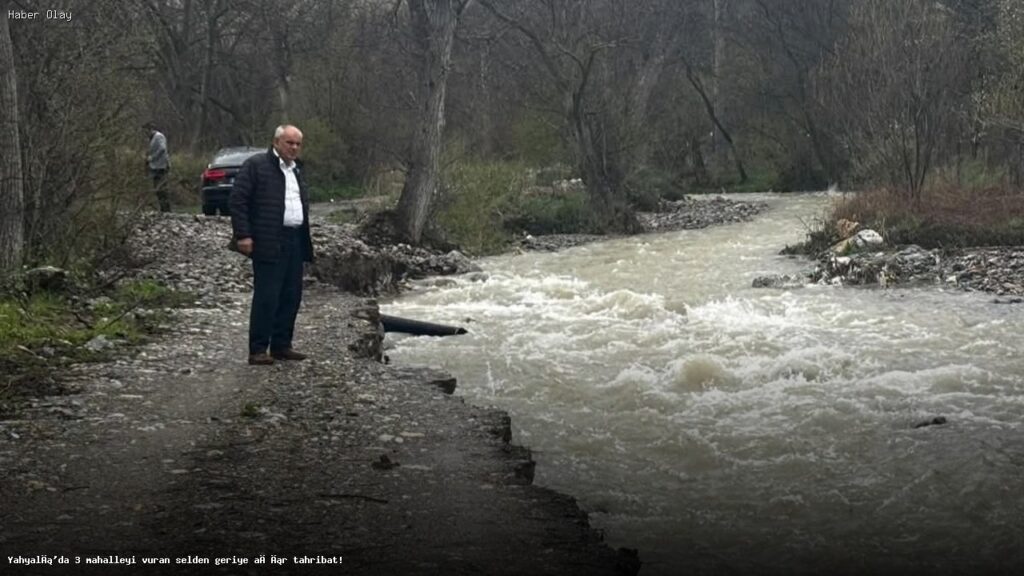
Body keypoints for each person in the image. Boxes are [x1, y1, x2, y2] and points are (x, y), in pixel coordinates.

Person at [229, 125, 314, 365]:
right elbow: (238, 200)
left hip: (295, 238)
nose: (294, 148)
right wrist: (243, 235)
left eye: (298, 144)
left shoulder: (297, 169)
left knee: (291, 295)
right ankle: (257, 349)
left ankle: (281, 345)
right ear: (276, 142)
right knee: (267, 295)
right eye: (290, 143)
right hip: (268, 238)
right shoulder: (257, 166)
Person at [145, 123, 171, 212]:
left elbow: (162, 148)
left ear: (150, 129)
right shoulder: (152, 138)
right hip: (155, 166)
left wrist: (152, 158)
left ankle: (166, 209)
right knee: (158, 189)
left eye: (146, 131)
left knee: (162, 189)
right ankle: (163, 208)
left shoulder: (158, 136)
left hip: (161, 166)